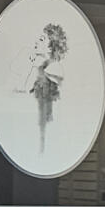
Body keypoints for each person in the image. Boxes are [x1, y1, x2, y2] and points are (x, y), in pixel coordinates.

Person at [23, 22, 70, 156]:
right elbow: (27, 88)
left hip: (51, 119)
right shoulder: (39, 68)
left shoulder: (55, 67)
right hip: (38, 118)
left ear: (51, 46)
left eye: (42, 39)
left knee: (46, 140)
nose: (36, 42)